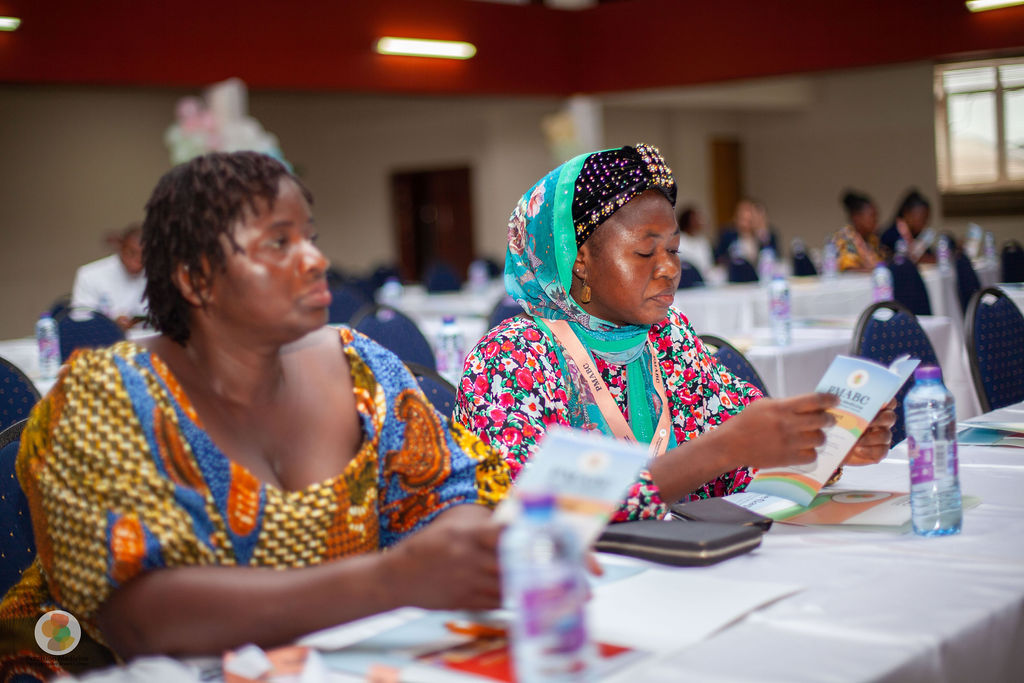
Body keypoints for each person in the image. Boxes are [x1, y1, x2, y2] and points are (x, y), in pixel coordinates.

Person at [0, 152, 510, 678]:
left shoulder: (363, 367)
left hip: (336, 662)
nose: (315, 260)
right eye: (279, 243)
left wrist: (466, 546)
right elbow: (142, 620)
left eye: (310, 237)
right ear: (196, 278)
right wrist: (390, 581)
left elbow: (449, 493)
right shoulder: (105, 398)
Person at [453, 144, 895, 522]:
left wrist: (823, 446)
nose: (668, 268)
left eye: (674, 250)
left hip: (688, 568)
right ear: (580, 259)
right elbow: (539, 509)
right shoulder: (511, 358)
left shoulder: (668, 336)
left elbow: (736, 466)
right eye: (645, 252)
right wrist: (722, 449)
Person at [70, 223, 148, 330]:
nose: (137, 261)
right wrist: (109, 324)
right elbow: (80, 319)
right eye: (131, 253)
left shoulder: (157, 275)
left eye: (144, 255)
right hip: (103, 338)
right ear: (121, 248)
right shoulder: (89, 274)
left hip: (149, 337)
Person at [831, 190, 887, 272]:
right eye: (872, 216)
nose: (876, 221)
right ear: (856, 217)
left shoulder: (873, 239)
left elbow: (882, 263)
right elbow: (850, 270)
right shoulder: (846, 238)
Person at [713, 198, 779, 266]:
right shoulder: (728, 235)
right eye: (742, 216)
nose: (745, 222)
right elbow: (718, 257)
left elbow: (773, 257)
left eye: (749, 216)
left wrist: (763, 234)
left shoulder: (766, 235)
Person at [879, 189, 935, 264]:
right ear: (906, 214)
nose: (924, 223)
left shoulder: (918, 235)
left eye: (926, 219)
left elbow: (931, 257)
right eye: (921, 218)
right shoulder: (890, 235)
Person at [675, 205, 714, 279]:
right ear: (687, 221)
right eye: (695, 219)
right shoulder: (678, 242)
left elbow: (708, 266)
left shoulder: (703, 241)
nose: (699, 221)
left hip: (705, 280)